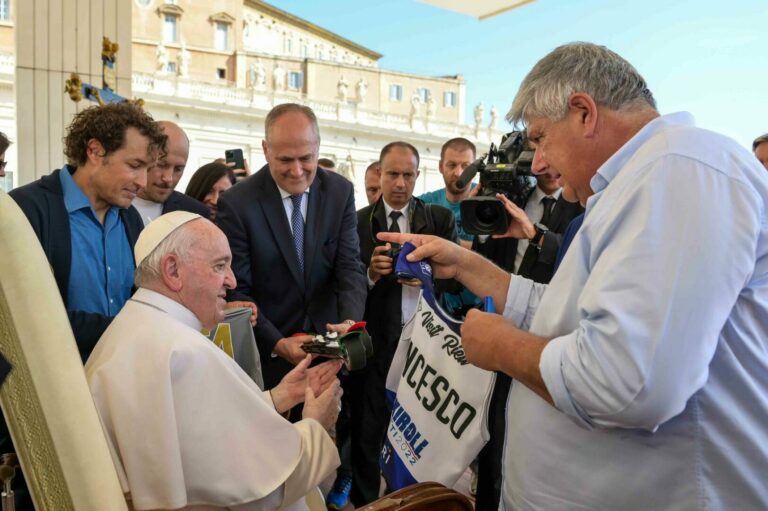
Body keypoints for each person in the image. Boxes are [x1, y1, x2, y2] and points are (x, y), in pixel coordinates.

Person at [379, 42, 768, 510]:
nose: (537, 162)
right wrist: (467, 265)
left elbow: (628, 383)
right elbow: (567, 316)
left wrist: (501, 347)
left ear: (584, 112)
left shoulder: (680, 166)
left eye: (540, 138)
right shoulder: (635, 182)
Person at [86, 211, 343, 511]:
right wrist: (315, 424)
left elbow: (194, 434)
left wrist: (277, 397)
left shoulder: (138, 325)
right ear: (173, 270)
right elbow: (261, 491)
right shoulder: (184, 351)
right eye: (219, 266)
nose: (232, 281)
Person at [215, 103, 366, 390]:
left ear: (318, 148)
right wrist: (278, 342)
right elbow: (237, 288)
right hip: (270, 359)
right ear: (265, 149)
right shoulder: (238, 203)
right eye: (285, 160)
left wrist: (349, 324)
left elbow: (349, 267)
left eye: (306, 158)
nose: (297, 171)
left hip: (330, 354)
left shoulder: (340, 192)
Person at [10, 101, 166, 358]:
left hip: (121, 375)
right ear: (95, 151)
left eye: (148, 170)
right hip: (55, 380)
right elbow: (27, 314)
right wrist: (128, 329)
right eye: (135, 166)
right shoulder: (27, 209)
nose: (143, 182)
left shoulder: (131, 220)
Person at [352, 141, 458, 506]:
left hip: (423, 346)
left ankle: (413, 502)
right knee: (368, 432)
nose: (400, 183)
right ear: (378, 174)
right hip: (376, 343)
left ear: (417, 176)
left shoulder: (440, 220)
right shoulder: (358, 223)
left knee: (418, 435)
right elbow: (347, 284)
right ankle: (368, 502)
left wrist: (428, 275)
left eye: (408, 175)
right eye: (392, 174)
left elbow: (454, 279)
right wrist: (370, 272)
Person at [132, 121, 209, 225]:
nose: (168, 178)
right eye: (161, 165)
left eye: (178, 169)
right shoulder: (110, 204)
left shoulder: (195, 215)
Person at [418, 137, 477, 248]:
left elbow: (493, 251)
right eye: (452, 165)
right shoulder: (425, 203)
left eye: (466, 166)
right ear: (440, 167)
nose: (458, 173)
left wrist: (439, 243)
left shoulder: (488, 202)